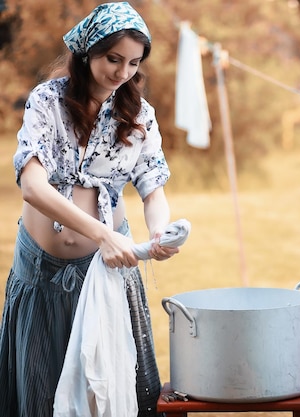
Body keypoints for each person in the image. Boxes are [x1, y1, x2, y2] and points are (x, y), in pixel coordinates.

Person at [0, 2, 179, 416]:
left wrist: (158, 233)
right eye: (113, 59)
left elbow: (153, 188)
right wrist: (103, 234)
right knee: (44, 389)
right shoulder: (47, 101)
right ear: (87, 53)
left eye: (133, 63)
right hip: (43, 273)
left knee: (111, 392)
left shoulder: (139, 116)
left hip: (110, 268)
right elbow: (32, 186)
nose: (122, 73)